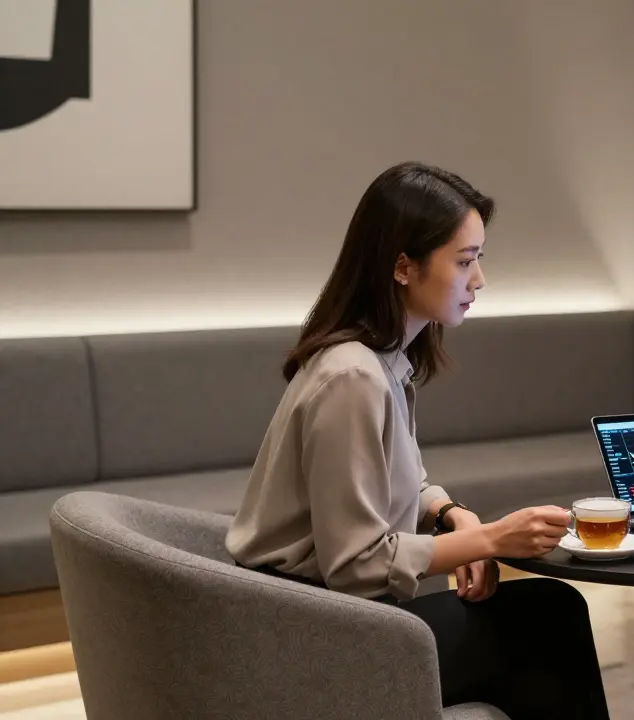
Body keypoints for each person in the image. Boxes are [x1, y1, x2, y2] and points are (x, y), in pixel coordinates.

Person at [226, 161, 610, 720]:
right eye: (465, 261)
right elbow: (355, 565)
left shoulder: (382, 362)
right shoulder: (352, 377)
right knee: (551, 620)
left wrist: (453, 514)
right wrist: (492, 541)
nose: (479, 280)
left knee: (543, 624)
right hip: (309, 634)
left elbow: (405, 481)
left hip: (332, 616)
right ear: (403, 266)